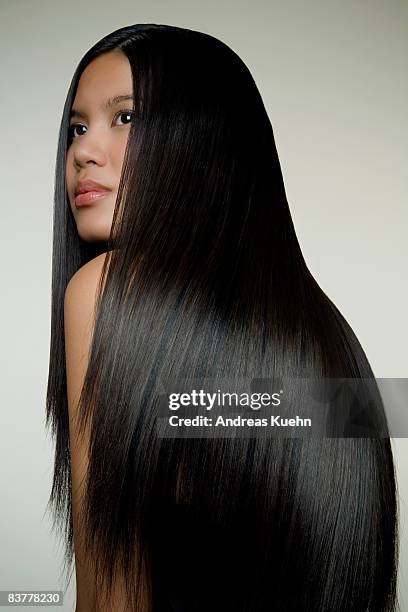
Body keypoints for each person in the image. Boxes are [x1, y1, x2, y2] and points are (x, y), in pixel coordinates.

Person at [46, 24, 398, 612]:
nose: (83, 150)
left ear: (203, 141)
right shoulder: (325, 334)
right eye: (77, 127)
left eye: (126, 118)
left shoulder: (103, 292)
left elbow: (111, 599)